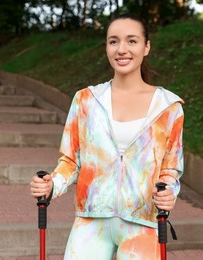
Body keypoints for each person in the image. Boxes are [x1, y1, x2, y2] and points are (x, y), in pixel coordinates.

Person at [30, 13, 184, 259]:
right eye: (113, 41)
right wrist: (52, 185)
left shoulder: (168, 107)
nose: (121, 49)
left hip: (142, 223)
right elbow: (70, 161)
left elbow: (170, 169)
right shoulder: (86, 100)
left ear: (146, 47)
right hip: (91, 220)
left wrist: (169, 193)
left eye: (131, 41)